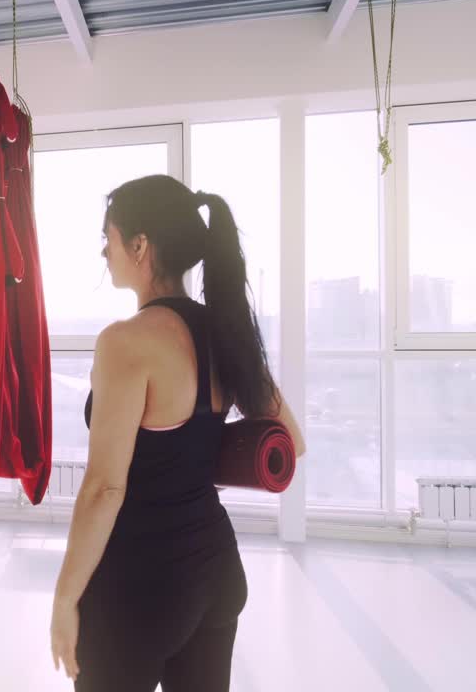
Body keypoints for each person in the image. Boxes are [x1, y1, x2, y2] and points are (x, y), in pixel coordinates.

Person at [50, 175, 305, 691]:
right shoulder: (223, 330)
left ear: (140, 246)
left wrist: (63, 599)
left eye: (109, 237)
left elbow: (105, 489)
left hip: (141, 589)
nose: (104, 251)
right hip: (215, 572)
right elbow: (291, 441)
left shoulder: (126, 342)